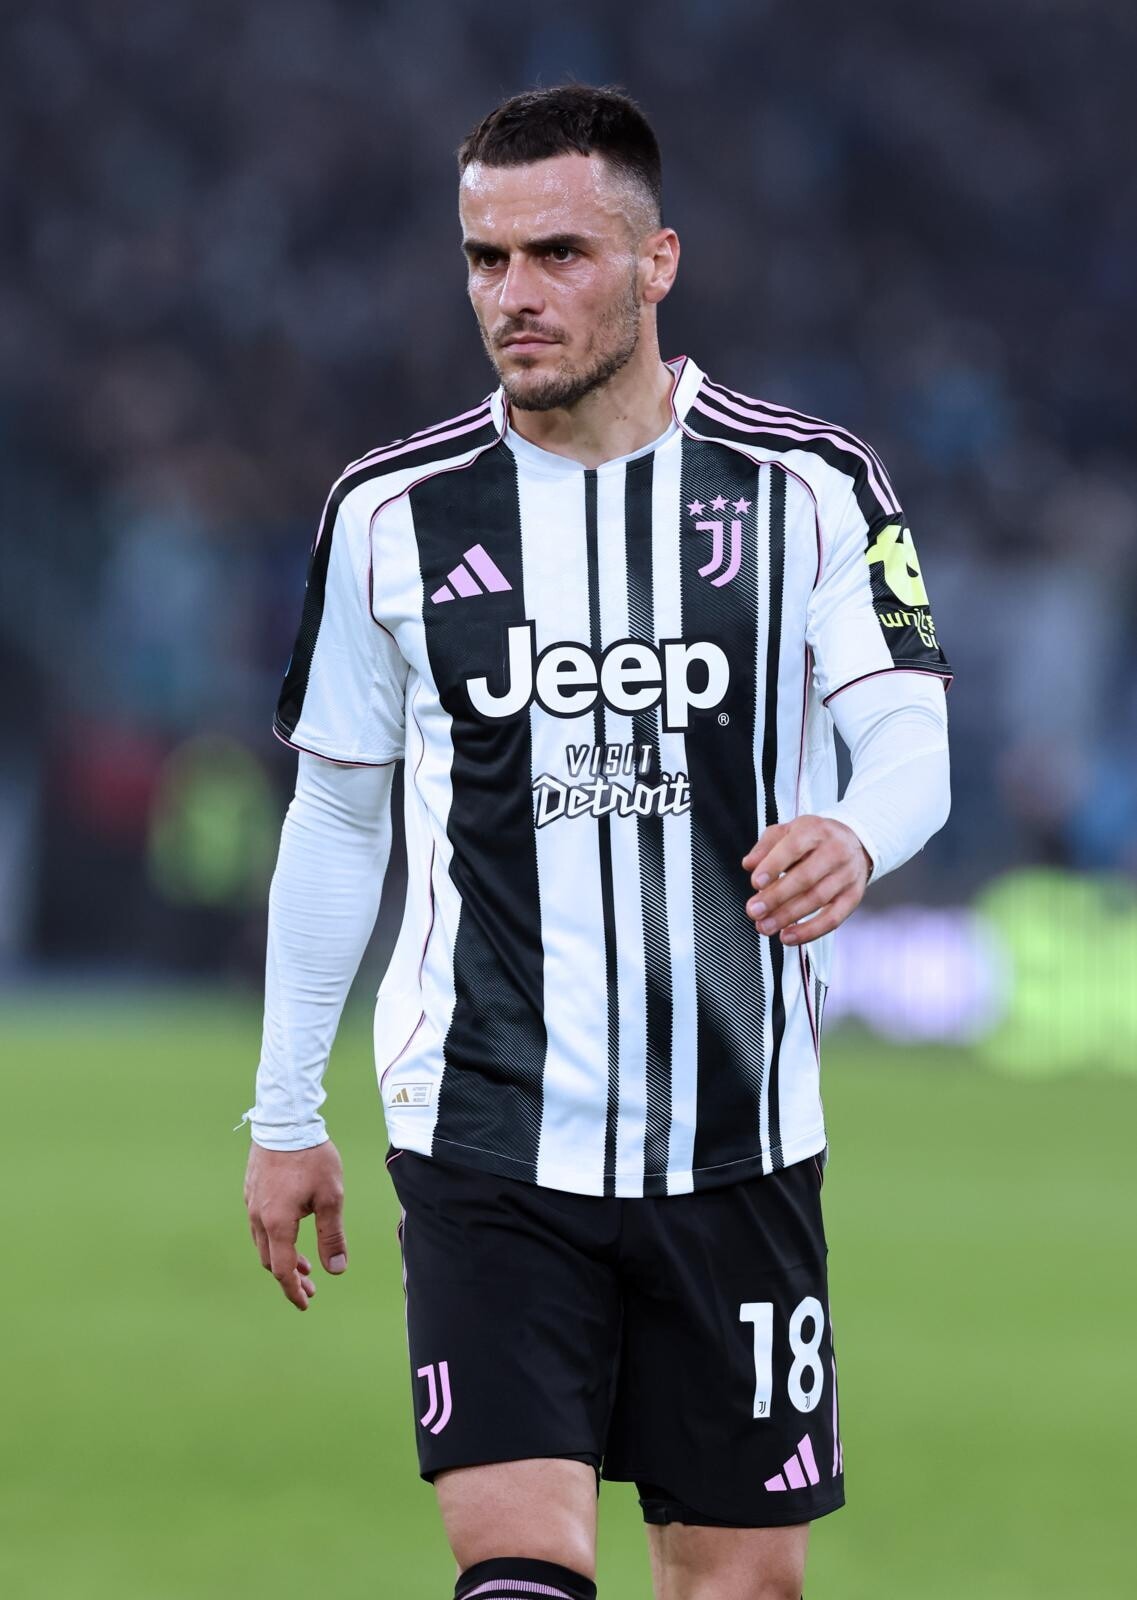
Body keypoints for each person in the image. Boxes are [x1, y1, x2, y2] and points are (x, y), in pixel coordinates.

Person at [242, 84, 951, 1600]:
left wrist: (855, 832)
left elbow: (910, 739)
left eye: (557, 253)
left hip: (736, 1135)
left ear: (656, 261)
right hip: (483, 1126)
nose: (515, 294)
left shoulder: (809, 486)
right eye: (486, 259)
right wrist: (283, 1109)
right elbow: (337, 814)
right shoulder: (390, 514)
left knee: (742, 1584)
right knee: (518, 1570)